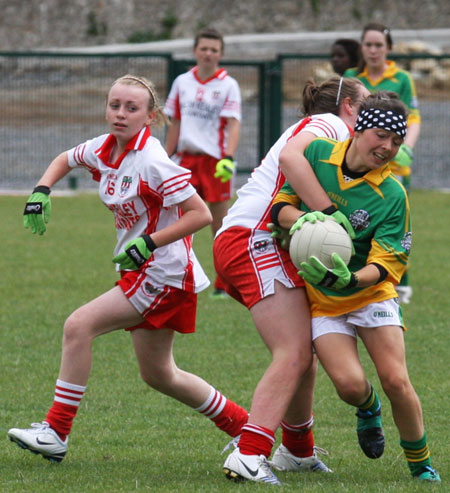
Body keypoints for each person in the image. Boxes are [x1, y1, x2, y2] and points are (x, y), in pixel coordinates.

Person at [8, 75, 248, 463]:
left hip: (163, 274)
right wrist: (41, 191)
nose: (120, 114)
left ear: (150, 117)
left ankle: (56, 431)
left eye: (131, 108)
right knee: (159, 374)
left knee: (78, 325)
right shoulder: (103, 149)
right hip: (143, 272)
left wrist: (149, 243)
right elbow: (64, 159)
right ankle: (246, 427)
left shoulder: (153, 161)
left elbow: (201, 214)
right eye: (114, 105)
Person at [270, 92, 440, 483]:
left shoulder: (393, 194)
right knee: (348, 386)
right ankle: (368, 409)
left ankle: (421, 465)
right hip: (326, 302)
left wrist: (349, 278)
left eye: (396, 142)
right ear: (360, 128)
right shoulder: (316, 155)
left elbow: (387, 263)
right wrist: (309, 221)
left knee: (396, 379)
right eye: (381, 135)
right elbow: (281, 207)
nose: (388, 148)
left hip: (370, 295)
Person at [215, 77, 370, 484]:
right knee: (294, 351)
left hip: (249, 239)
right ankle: (249, 454)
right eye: (366, 105)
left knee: (303, 351)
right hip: (253, 239)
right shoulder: (332, 125)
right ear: (349, 105)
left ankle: (298, 452)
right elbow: (290, 157)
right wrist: (328, 212)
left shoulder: (332, 132)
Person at [344, 23, 421, 304]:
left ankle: (400, 283)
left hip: (395, 167)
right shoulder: (352, 77)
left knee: (395, 225)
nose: (374, 50)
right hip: (362, 164)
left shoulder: (401, 78)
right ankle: (357, 276)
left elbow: (413, 117)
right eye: (369, 45)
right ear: (362, 48)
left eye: (379, 45)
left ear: (388, 48)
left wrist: (407, 149)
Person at [164, 27, 241, 299]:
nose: (208, 54)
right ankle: (178, 276)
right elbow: (175, 122)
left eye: (214, 50)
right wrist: (165, 157)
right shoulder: (182, 82)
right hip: (185, 161)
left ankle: (225, 283)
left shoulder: (228, 85)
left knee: (219, 224)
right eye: (204, 48)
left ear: (221, 54)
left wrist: (229, 158)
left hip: (215, 162)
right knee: (179, 221)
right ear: (195, 51)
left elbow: (233, 124)